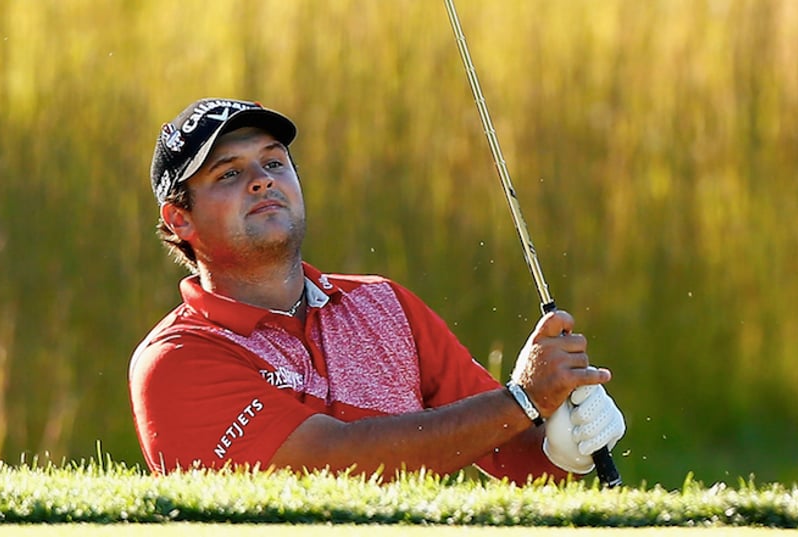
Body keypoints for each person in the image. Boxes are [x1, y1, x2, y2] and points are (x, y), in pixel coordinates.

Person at [129, 97, 625, 482]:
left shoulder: (384, 305)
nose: (261, 181)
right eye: (230, 173)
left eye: (274, 163)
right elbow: (332, 464)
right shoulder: (176, 360)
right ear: (180, 218)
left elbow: (503, 454)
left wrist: (561, 446)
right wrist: (520, 402)